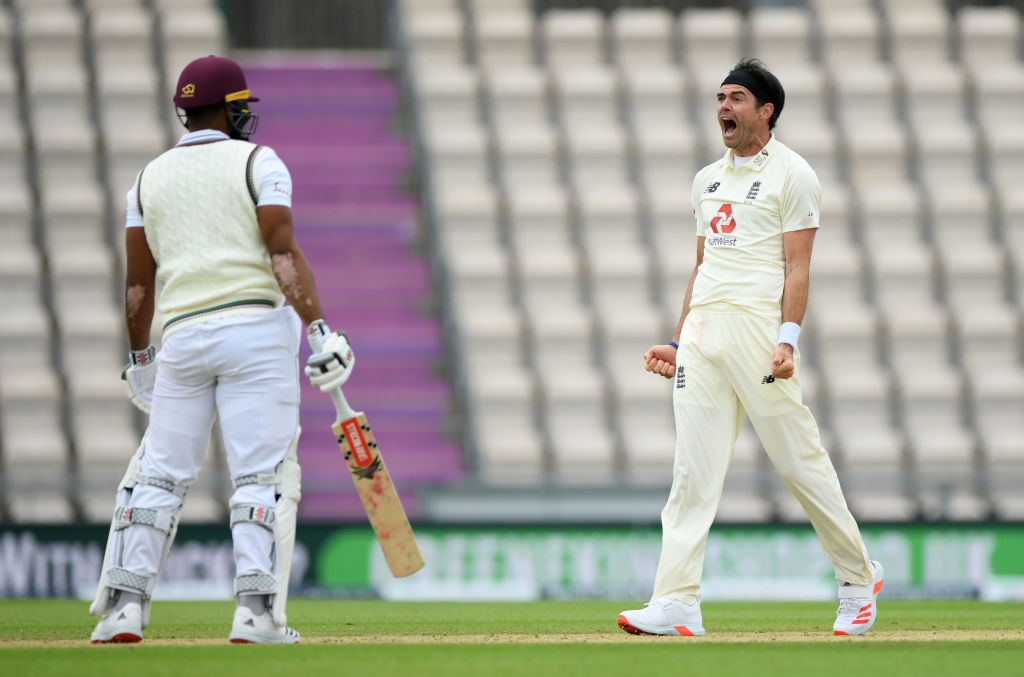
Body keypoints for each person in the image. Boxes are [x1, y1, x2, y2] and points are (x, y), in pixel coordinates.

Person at [88, 55, 355, 644]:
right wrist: (318, 330)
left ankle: (123, 612)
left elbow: (138, 287)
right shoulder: (260, 161)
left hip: (181, 338)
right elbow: (281, 251)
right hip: (256, 331)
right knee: (261, 475)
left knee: (159, 475)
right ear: (230, 109)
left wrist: (139, 362)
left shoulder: (147, 178)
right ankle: (256, 616)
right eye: (241, 106)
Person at [617, 59, 883, 637]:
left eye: (736, 98)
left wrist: (788, 339)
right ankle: (676, 601)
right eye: (719, 98)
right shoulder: (707, 179)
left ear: (766, 111)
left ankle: (858, 581)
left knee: (799, 463)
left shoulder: (794, 175)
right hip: (703, 335)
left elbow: (798, 267)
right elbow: (702, 266)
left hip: (760, 334)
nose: (723, 108)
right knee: (692, 474)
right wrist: (676, 336)